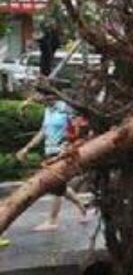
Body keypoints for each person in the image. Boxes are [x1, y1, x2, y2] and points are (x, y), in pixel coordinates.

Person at [16, 98, 90, 231]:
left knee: (56, 184)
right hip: (49, 151)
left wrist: (70, 144)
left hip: (62, 152)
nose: (38, 98)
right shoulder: (48, 110)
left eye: (41, 95)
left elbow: (78, 127)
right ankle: (81, 206)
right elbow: (43, 131)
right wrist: (27, 147)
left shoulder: (65, 109)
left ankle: (52, 220)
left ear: (50, 95)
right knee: (59, 185)